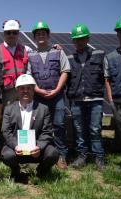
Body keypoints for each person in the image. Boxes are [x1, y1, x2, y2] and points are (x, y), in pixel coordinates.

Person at [27, 21, 70, 170]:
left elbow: (65, 71)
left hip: (57, 96)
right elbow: (28, 76)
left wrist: (57, 89)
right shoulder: (30, 55)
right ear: (34, 37)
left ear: (48, 35)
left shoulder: (58, 51)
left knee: (58, 126)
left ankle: (61, 156)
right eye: (38, 34)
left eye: (43, 33)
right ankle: (39, 153)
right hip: (38, 96)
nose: (40, 36)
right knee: (39, 126)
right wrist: (37, 90)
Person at [1, 74, 59, 181]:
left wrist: (39, 147)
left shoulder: (43, 109)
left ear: (33, 90)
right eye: (22, 88)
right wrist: (15, 146)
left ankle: (42, 170)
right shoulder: (9, 109)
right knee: (6, 155)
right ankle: (15, 170)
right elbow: (5, 131)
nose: (25, 91)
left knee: (53, 154)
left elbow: (47, 132)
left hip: (36, 150)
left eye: (29, 88)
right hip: (17, 149)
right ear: (17, 90)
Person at [66, 24, 106, 170]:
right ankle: (82, 155)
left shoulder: (99, 54)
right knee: (79, 129)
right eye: (76, 40)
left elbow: (106, 77)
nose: (79, 42)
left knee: (95, 128)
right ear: (73, 42)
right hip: (77, 100)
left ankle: (98, 156)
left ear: (87, 38)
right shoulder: (70, 58)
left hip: (95, 99)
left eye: (82, 39)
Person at [105, 16, 121, 173]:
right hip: (119, 101)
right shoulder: (110, 56)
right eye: (120, 31)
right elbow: (107, 79)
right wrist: (111, 100)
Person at [0, 19, 29, 106]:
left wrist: (54, 48)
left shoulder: (26, 49)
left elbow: (40, 55)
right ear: (4, 34)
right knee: (9, 116)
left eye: (14, 32)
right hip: (7, 92)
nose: (11, 35)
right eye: (8, 32)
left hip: (24, 89)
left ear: (18, 34)